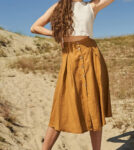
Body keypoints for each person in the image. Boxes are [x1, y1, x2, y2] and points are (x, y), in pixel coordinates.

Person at [30, 0, 114, 149]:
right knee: (61, 106)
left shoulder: (92, 6)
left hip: (91, 57)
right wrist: (55, 34)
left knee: (94, 106)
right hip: (70, 58)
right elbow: (35, 27)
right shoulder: (59, 6)